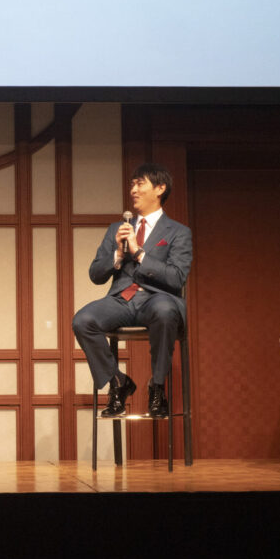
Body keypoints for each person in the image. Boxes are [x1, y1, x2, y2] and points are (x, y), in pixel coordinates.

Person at [73, 163, 192, 418]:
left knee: (165, 311)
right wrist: (118, 253)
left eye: (140, 184)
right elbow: (95, 274)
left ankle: (157, 387)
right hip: (122, 299)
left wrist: (138, 252)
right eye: (132, 185)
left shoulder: (178, 232)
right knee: (83, 320)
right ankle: (118, 382)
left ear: (160, 188)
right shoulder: (117, 229)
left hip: (157, 298)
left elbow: (176, 277)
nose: (133, 190)